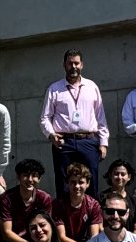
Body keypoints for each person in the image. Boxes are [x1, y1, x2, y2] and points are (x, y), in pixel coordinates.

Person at [41, 48, 107, 198]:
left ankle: (92, 220)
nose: (74, 67)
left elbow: (100, 117)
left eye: (77, 63)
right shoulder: (54, 89)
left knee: (91, 182)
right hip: (64, 143)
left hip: (89, 141)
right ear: (64, 65)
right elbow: (45, 118)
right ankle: (64, 220)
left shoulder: (92, 87)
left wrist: (103, 143)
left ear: (82, 65)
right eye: (70, 63)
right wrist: (51, 135)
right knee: (64, 185)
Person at [0, 157, 52, 242]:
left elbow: (48, 227)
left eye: (34, 176)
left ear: (39, 178)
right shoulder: (6, 198)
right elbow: (6, 233)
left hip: (36, 241)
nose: (30, 179)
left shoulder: (44, 198)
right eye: (25, 175)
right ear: (18, 176)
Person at [51, 163, 102, 242]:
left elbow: (94, 236)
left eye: (81, 182)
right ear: (67, 183)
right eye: (73, 182)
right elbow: (61, 237)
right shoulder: (58, 204)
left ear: (88, 183)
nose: (77, 186)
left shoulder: (93, 205)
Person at [98, 159, 136, 236]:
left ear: (129, 177)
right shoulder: (101, 198)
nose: (119, 177)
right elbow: (99, 226)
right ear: (110, 175)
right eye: (116, 174)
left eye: (123, 174)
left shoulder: (134, 201)